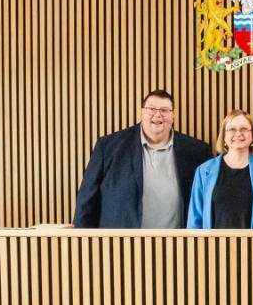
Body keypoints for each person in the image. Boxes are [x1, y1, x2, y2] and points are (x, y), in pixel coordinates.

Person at [73, 90, 213, 228]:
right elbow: (86, 199)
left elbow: (211, 201)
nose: (157, 115)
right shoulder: (108, 147)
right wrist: (82, 238)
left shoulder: (198, 152)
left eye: (164, 110)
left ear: (173, 116)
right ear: (141, 113)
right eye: (151, 109)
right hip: (121, 241)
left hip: (180, 241)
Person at [187, 110, 253, 229]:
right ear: (224, 136)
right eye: (232, 129)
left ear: (252, 136)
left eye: (244, 129)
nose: (238, 134)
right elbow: (195, 220)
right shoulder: (204, 171)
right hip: (213, 241)